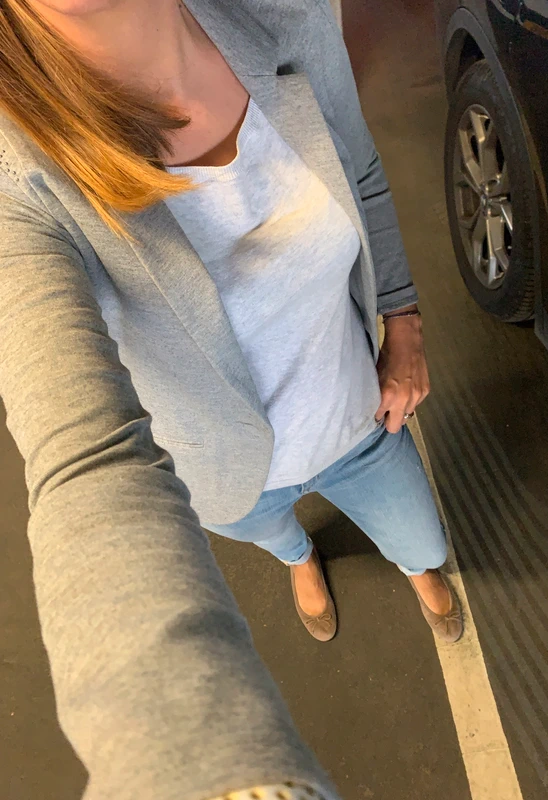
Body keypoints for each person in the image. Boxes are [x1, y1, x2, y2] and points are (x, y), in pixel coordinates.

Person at [0, 0, 463, 797]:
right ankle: (300, 557)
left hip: (356, 413)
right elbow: (84, 462)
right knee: (277, 535)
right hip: (229, 479)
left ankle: (414, 569)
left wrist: (404, 319)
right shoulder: (18, 175)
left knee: (421, 539)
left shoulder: (289, 14)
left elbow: (360, 171)